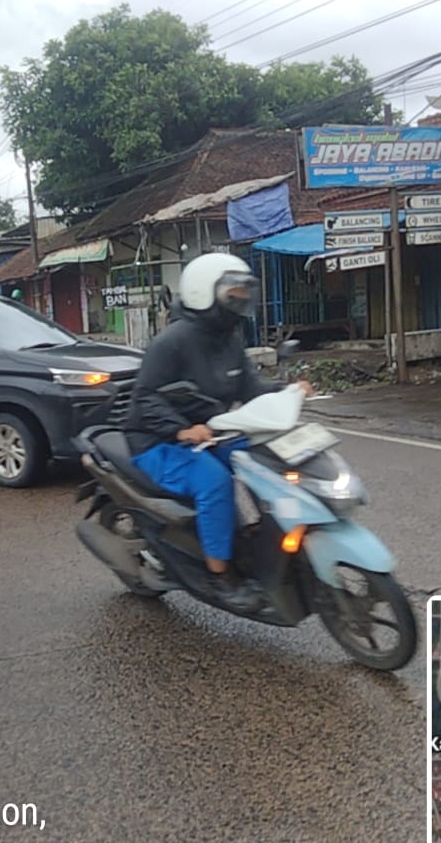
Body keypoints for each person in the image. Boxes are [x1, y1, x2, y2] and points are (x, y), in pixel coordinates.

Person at [123, 251, 313, 594]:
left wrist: (288, 391)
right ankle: (219, 574)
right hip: (158, 441)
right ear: (203, 292)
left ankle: (259, 534)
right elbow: (145, 398)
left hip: (211, 432)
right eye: (232, 293)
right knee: (215, 481)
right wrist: (181, 429)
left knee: (266, 457)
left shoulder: (230, 339)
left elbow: (249, 388)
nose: (240, 301)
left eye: (243, 293)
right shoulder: (172, 342)